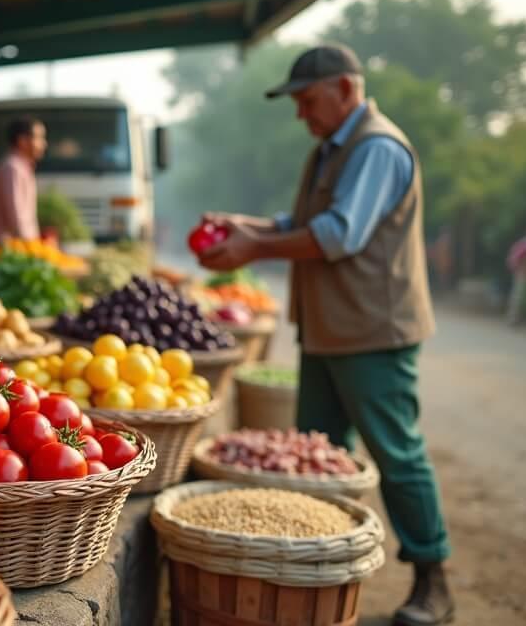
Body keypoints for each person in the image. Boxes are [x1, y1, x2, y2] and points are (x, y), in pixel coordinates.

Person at [197, 45, 453, 626]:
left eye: (307, 100)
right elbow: (298, 227)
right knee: (318, 456)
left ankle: (433, 579)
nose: (300, 114)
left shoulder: (377, 148)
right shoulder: (330, 151)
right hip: (328, 331)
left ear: (345, 88)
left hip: (372, 332)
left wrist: (254, 247)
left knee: (398, 454)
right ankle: (314, 577)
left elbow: (337, 236)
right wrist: (247, 228)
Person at [0, 116, 47, 244]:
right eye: (39, 138)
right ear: (22, 141)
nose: (44, 144)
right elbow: (16, 217)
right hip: (13, 250)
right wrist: (30, 248)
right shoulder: (12, 169)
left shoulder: (21, 167)